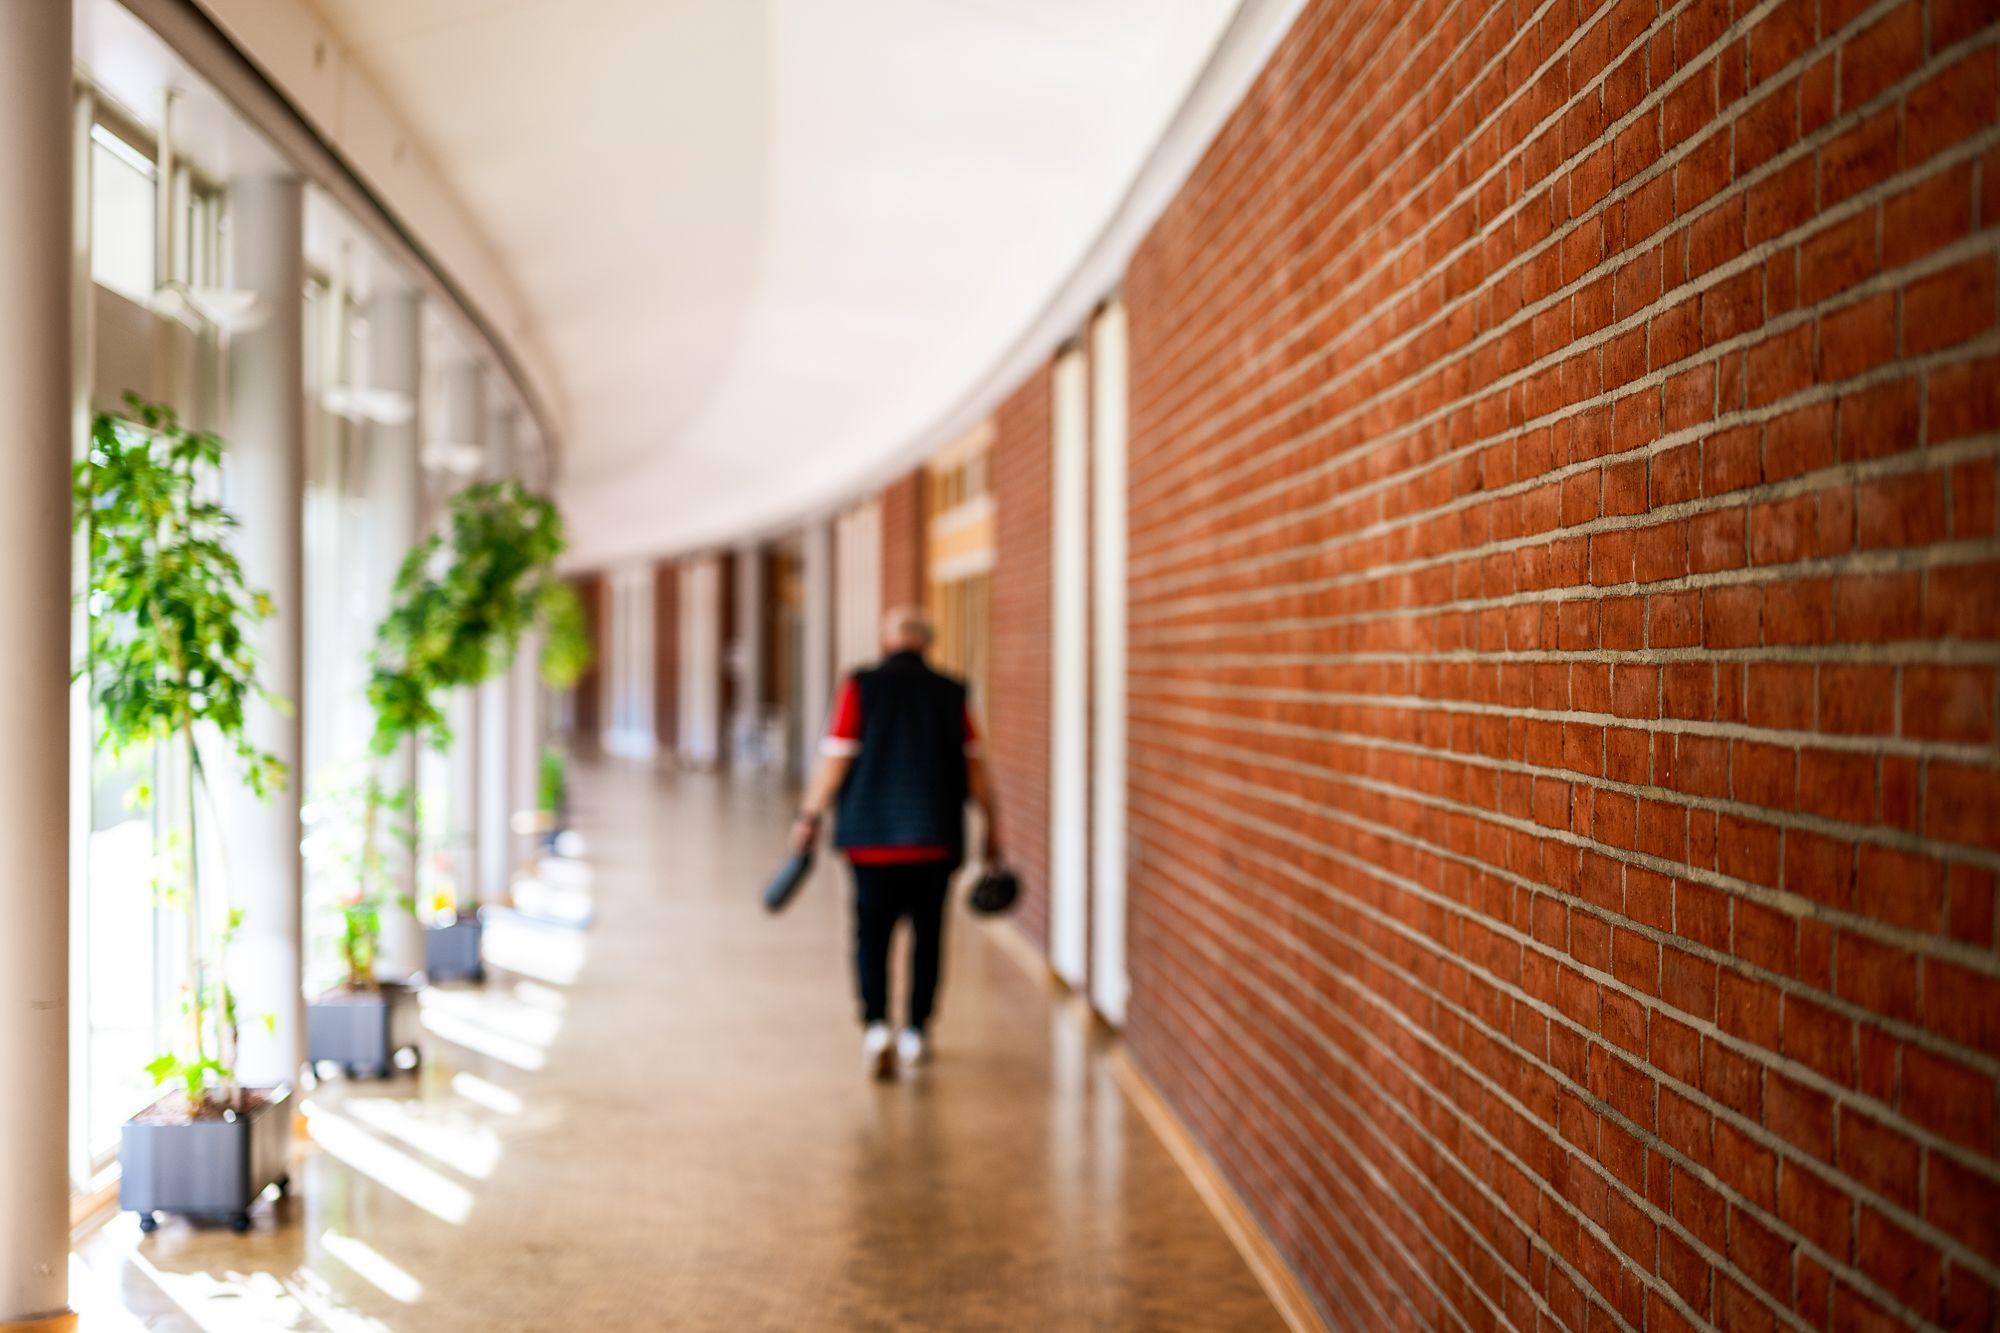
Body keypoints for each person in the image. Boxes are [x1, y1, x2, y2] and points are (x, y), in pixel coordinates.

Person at [792, 606, 999, 1079]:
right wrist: (993, 828)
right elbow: (976, 769)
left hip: (871, 839)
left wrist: (809, 816)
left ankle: (877, 1025)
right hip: (934, 837)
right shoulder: (952, 691)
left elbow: (837, 759)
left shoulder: (861, 686)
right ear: (927, 642)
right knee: (929, 937)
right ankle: (917, 1032)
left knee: (871, 934)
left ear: (886, 640)